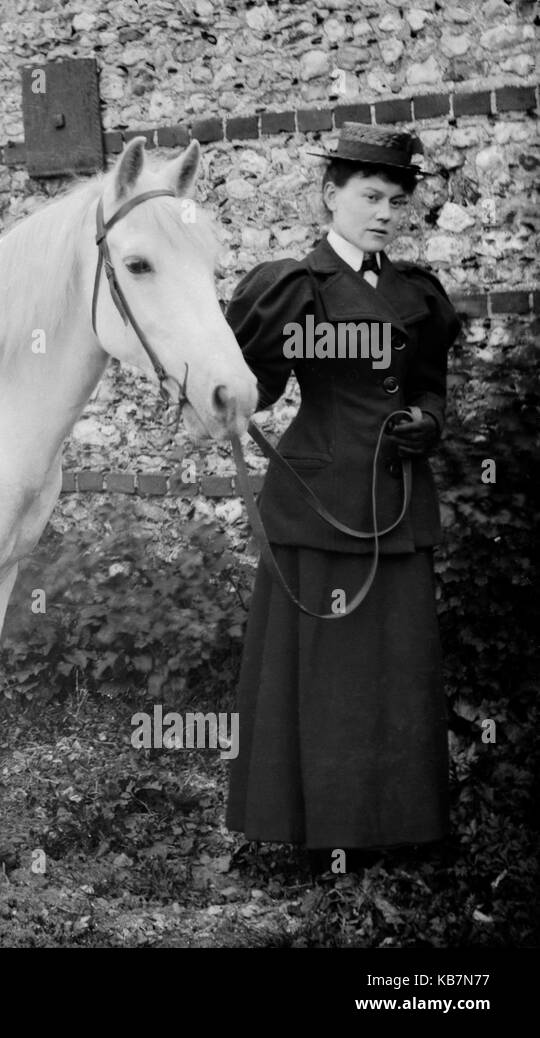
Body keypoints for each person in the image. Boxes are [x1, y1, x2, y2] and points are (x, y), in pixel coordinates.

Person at [223, 124, 461, 869]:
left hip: (395, 498)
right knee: (321, 676)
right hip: (322, 503)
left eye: (396, 199)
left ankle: (396, 827)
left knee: (395, 669)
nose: (385, 211)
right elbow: (255, 385)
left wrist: (430, 419)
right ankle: (313, 831)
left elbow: (428, 379)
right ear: (332, 196)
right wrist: (221, 392)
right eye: (369, 195)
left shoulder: (416, 290)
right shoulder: (296, 285)